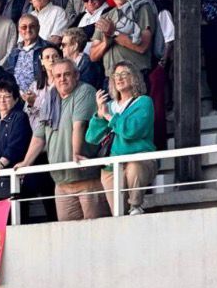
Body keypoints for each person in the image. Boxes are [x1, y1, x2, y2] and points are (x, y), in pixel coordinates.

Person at [16, 58, 103, 220]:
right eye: (58, 76)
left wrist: (76, 153)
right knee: (67, 237)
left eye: (67, 74)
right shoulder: (51, 98)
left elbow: (79, 125)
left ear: (76, 75)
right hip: (61, 183)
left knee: (95, 234)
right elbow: (39, 135)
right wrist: (26, 163)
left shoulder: (85, 91)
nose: (62, 79)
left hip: (87, 180)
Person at [86, 60, 156, 214]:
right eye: (116, 75)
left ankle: (136, 205)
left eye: (124, 74)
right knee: (118, 212)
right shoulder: (109, 106)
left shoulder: (144, 102)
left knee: (135, 167)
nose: (119, 78)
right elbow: (91, 137)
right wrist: (99, 113)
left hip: (139, 160)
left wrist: (109, 117)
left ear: (135, 78)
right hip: (112, 166)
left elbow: (132, 131)